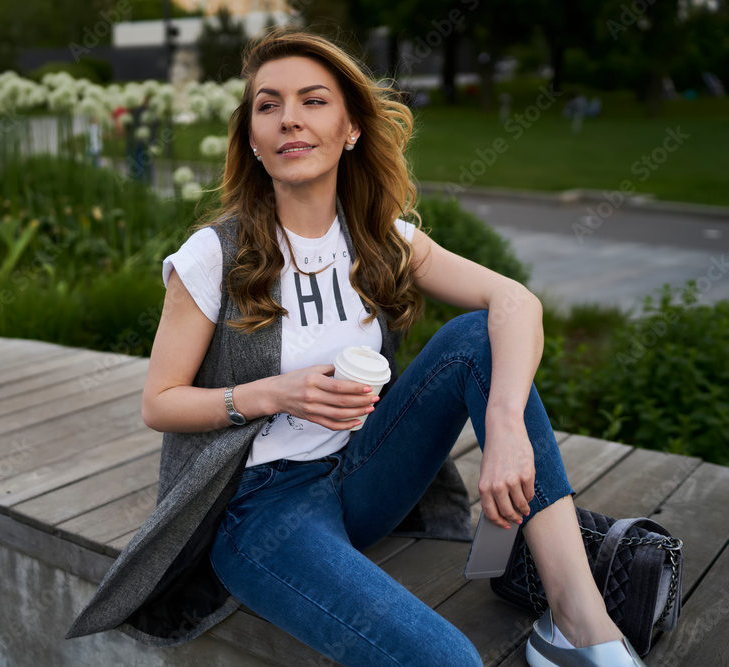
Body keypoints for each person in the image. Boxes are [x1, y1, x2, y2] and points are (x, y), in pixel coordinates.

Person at [65, 27, 647, 667]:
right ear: (253, 139)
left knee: (475, 338)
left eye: (313, 101)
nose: (289, 118)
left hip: (360, 474)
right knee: (447, 659)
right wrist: (273, 394)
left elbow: (515, 302)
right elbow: (160, 402)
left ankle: (578, 621)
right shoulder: (213, 255)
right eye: (268, 105)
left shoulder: (378, 238)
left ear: (350, 129)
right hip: (260, 510)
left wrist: (505, 424)